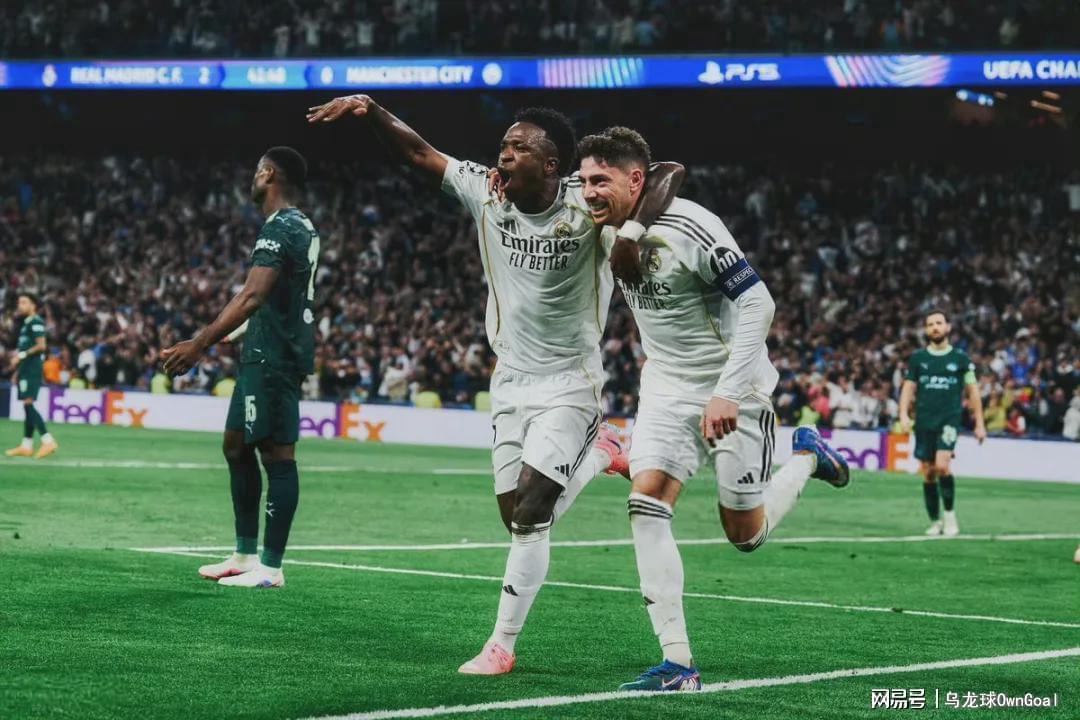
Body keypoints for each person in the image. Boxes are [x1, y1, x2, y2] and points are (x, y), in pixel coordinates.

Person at [306, 95, 684, 674]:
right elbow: (419, 153)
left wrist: (630, 234)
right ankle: (603, 452)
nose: (503, 154)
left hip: (570, 381)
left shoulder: (586, 203)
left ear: (552, 165)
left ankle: (501, 644)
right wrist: (370, 110)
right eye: (504, 145)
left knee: (532, 509)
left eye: (518, 148)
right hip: (509, 379)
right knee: (516, 518)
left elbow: (667, 172)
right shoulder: (485, 191)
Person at [577, 127, 851, 692]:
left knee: (745, 535)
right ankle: (678, 664)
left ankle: (806, 457)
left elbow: (758, 302)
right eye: (583, 181)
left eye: (600, 181)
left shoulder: (692, 227)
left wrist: (727, 391)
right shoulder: (597, 216)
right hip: (665, 387)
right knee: (645, 503)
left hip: (736, 389)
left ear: (635, 180)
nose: (587, 192)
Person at [161, 147, 319, 589]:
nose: (252, 179)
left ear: (267, 174)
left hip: (275, 356)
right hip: (261, 350)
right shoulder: (299, 225)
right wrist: (230, 335)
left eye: (256, 172)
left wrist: (199, 344)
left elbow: (252, 295)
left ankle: (270, 568)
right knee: (235, 446)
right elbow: (276, 297)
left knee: (277, 455)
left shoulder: (281, 226)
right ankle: (245, 555)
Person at [899, 310, 986, 537]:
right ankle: (935, 521)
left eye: (939, 323)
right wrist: (903, 415)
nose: (935, 327)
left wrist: (979, 423)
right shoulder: (918, 359)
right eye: (930, 324)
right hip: (924, 421)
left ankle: (949, 515)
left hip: (949, 420)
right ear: (926, 330)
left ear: (948, 327)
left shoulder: (960, 359)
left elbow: (973, 391)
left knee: (942, 465)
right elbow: (908, 388)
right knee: (928, 472)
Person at [5, 292, 58, 459]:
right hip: (25, 369)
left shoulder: (36, 322)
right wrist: (17, 372)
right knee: (26, 405)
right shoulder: (26, 324)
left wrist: (20, 356)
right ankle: (26, 445)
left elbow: (41, 346)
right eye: (19, 302)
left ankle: (48, 440)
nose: (20, 305)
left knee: (28, 404)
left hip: (33, 369)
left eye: (24, 302)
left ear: (33, 305)